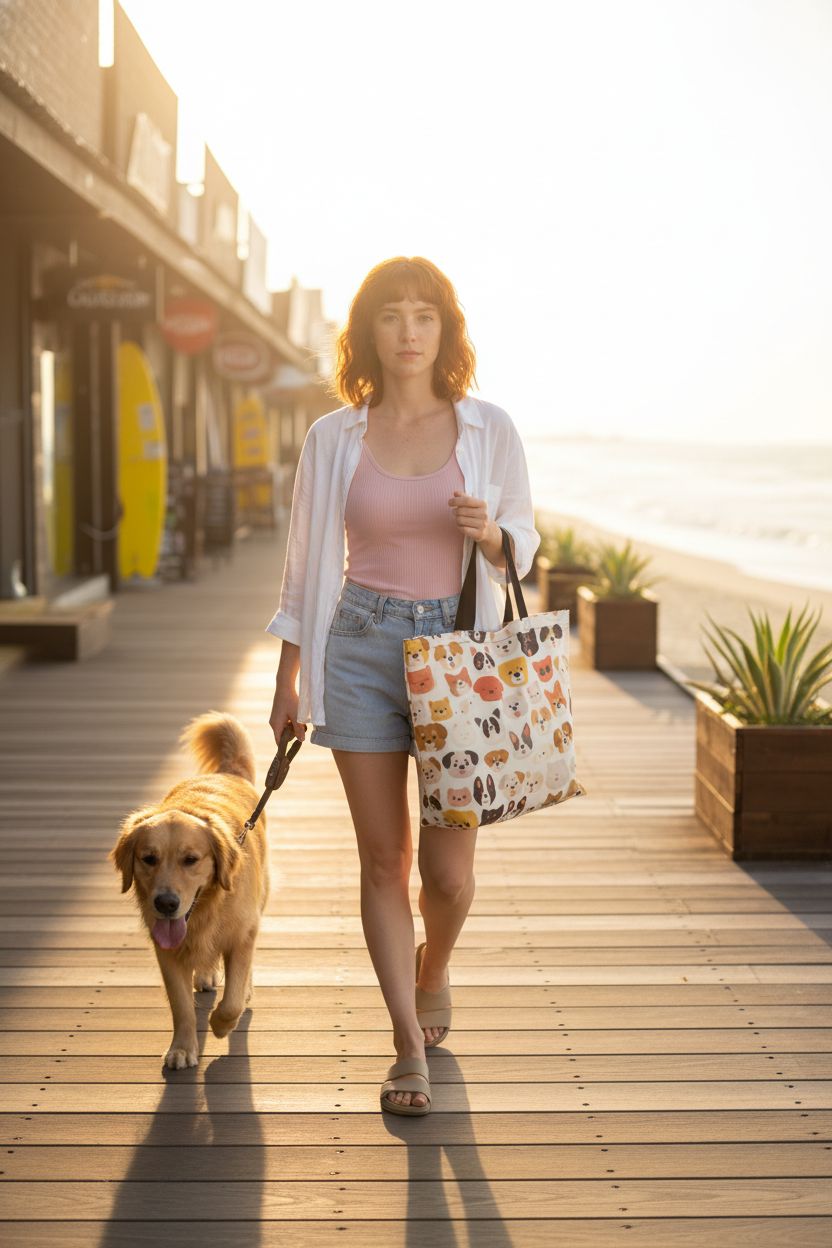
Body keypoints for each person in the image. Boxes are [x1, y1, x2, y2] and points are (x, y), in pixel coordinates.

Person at [266, 256, 540, 1115]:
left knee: (449, 878)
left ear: (445, 331)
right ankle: (407, 1046)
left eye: (426, 315)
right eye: (392, 315)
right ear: (368, 333)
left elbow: (525, 547)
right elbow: (305, 564)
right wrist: (289, 676)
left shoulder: (488, 428)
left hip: (458, 657)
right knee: (385, 860)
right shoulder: (333, 437)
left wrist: (492, 534)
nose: (410, 331)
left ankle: (435, 967)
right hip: (358, 645)